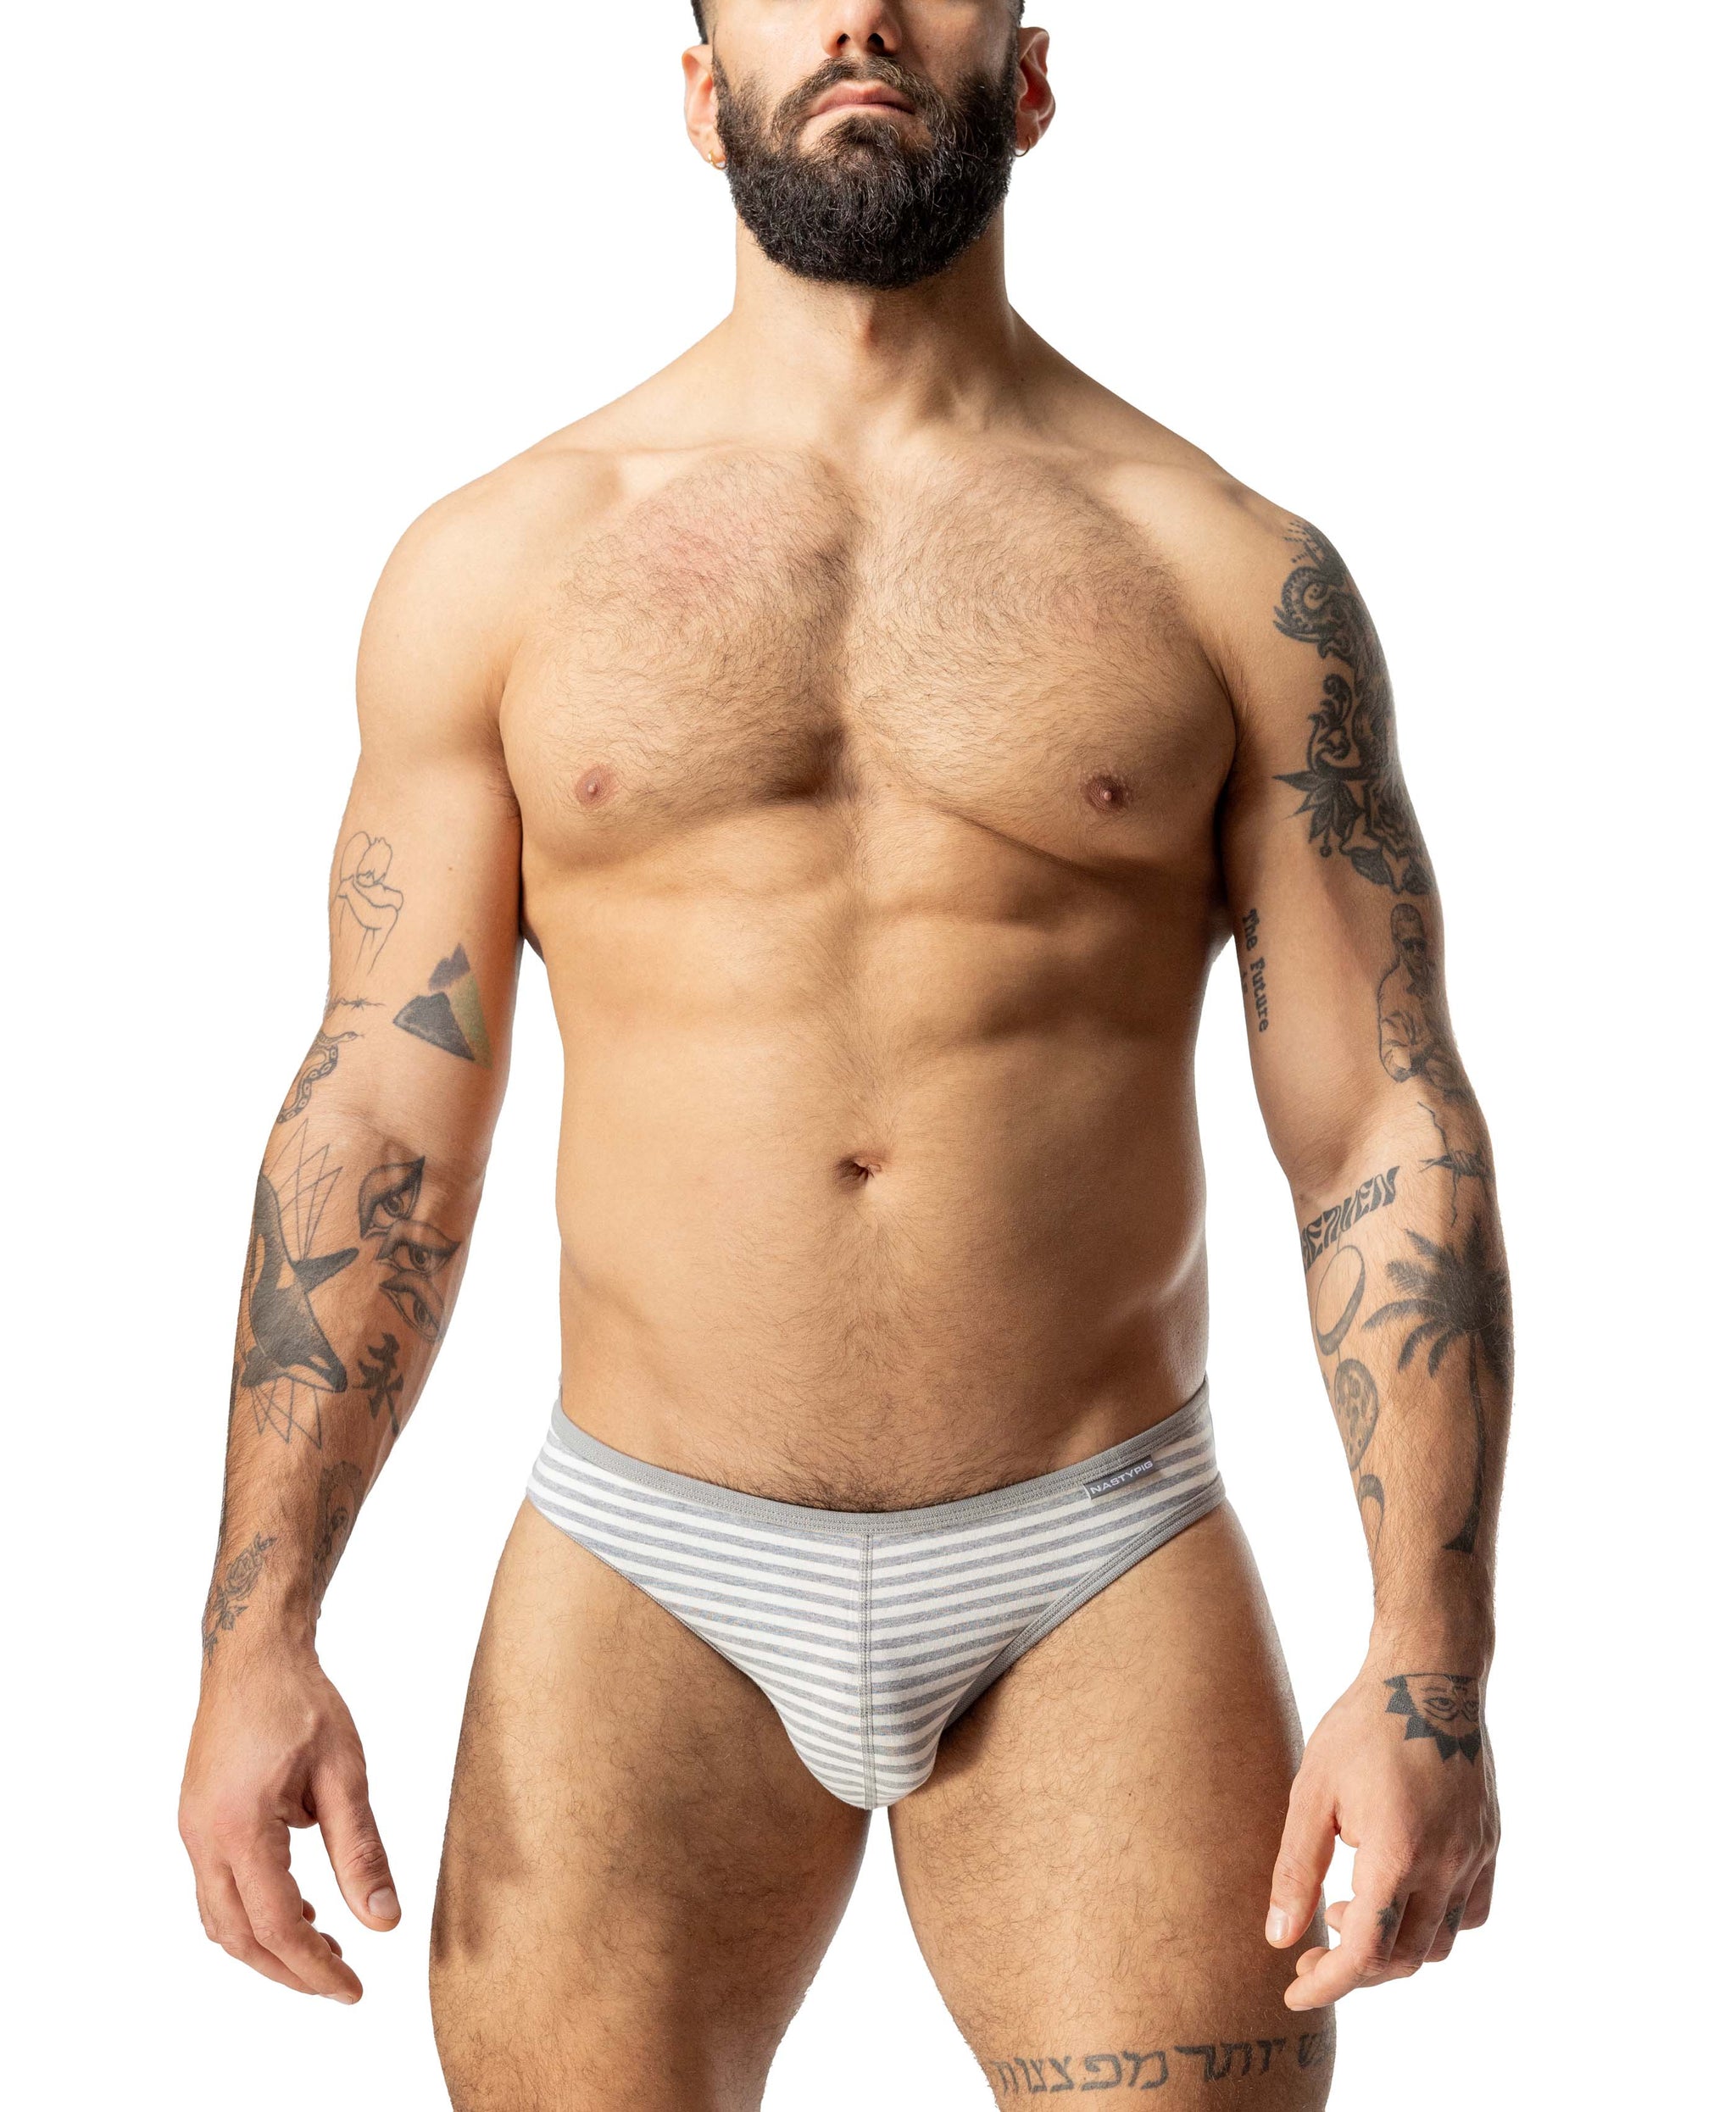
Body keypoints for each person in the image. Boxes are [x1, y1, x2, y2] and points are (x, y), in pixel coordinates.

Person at [178, 6, 1512, 2105]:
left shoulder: (1228, 572)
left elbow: (1378, 1129)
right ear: (698, 91)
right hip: (643, 1561)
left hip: (1097, 1559)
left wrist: (1427, 1667)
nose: (863, 15)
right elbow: (378, 1118)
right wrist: (256, 1630)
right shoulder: (500, 564)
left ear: (1033, 79)